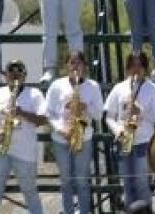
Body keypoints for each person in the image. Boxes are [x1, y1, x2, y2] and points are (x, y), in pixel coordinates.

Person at [0, 60, 47, 214]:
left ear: (25, 75)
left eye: (19, 70)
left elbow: (43, 120)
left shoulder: (35, 94)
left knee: (30, 191)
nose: (15, 73)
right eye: (10, 70)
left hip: (25, 152)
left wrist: (21, 112)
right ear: (5, 75)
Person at [103, 52, 155, 211]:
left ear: (145, 67)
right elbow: (109, 116)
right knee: (127, 186)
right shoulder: (119, 88)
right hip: (124, 142)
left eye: (140, 65)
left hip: (143, 143)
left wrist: (141, 111)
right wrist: (117, 129)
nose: (136, 69)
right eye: (132, 65)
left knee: (142, 186)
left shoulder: (153, 89)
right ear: (127, 68)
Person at [45, 51, 103, 214]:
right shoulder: (56, 85)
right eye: (72, 62)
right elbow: (48, 113)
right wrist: (60, 128)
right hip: (61, 138)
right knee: (66, 181)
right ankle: (68, 211)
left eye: (79, 63)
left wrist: (85, 106)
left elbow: (98, 114)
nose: (75, 66)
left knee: (83, 180)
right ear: (66, 65)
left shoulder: (93, 86)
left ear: (84, 66)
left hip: (83, 138)